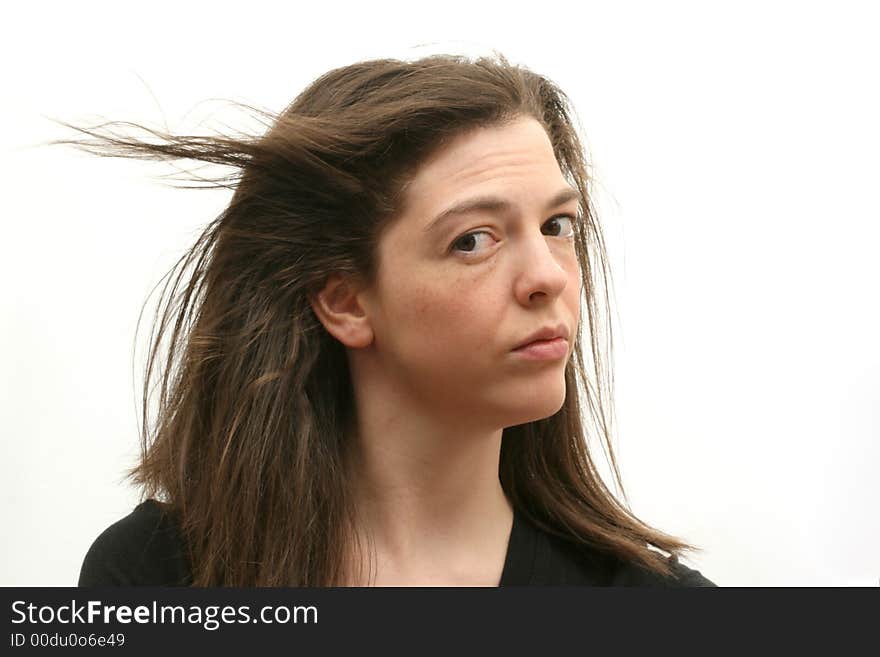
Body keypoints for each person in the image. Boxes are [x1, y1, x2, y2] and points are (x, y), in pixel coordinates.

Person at [63, 52, 715, 587]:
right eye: (474, 239)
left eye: (557, 225)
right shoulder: (155, 577)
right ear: (345, 300)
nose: (548, 275)